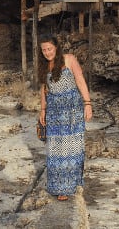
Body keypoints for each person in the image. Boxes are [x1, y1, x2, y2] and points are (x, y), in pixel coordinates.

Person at [37, 34, 93, 201]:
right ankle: (59, 187)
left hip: (72, 109)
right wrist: (42, 110)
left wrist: (88, 103)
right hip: (54, 111)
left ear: (56, 47)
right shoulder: (44, 66)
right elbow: (44, 89)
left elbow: (80, 80)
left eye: (50, 49)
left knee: (73, 147)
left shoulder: (68, 59)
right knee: (55, 149)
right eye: (44, 50)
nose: (47, 52)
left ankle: (71, 185)